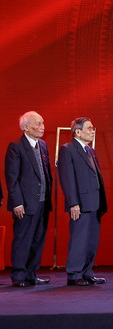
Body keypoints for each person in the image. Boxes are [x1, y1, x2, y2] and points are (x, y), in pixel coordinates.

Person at [4, 111, 52, 287]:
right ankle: (18, 276)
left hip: (42, 202)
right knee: (23, 240)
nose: (42, 127)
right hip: (25, 203)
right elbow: (12, 177)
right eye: (38, 124)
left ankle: (31, 274)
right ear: (26, 127)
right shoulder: (16, 146)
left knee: (38, 240)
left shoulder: (43, 145)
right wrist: (17, 202)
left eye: (43, 123)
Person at [58, 117, 108, 286]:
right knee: (79, 239)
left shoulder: (90, 150)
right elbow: (67, 178)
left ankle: (87, 272)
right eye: (89, 128)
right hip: (80, 203)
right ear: (77, 132)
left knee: (91, 240)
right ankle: (74, 274)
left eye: (93, 128)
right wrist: (73, 202)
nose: (92, 131)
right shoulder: (67, 149)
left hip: (95, 202)